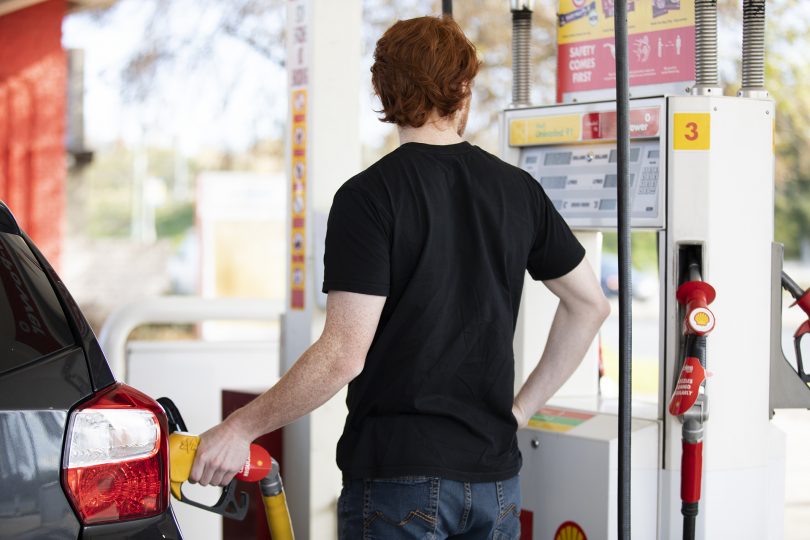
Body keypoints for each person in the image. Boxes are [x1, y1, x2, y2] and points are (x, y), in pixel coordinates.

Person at [189, 15, 609, 540]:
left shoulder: (369, 197)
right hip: (496, 483)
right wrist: (519, 410)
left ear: (383, 90)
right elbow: (590, 305)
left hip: (399, 481)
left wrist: (240, 427)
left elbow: (344, 353)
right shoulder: (517, 190)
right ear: (464, 90)